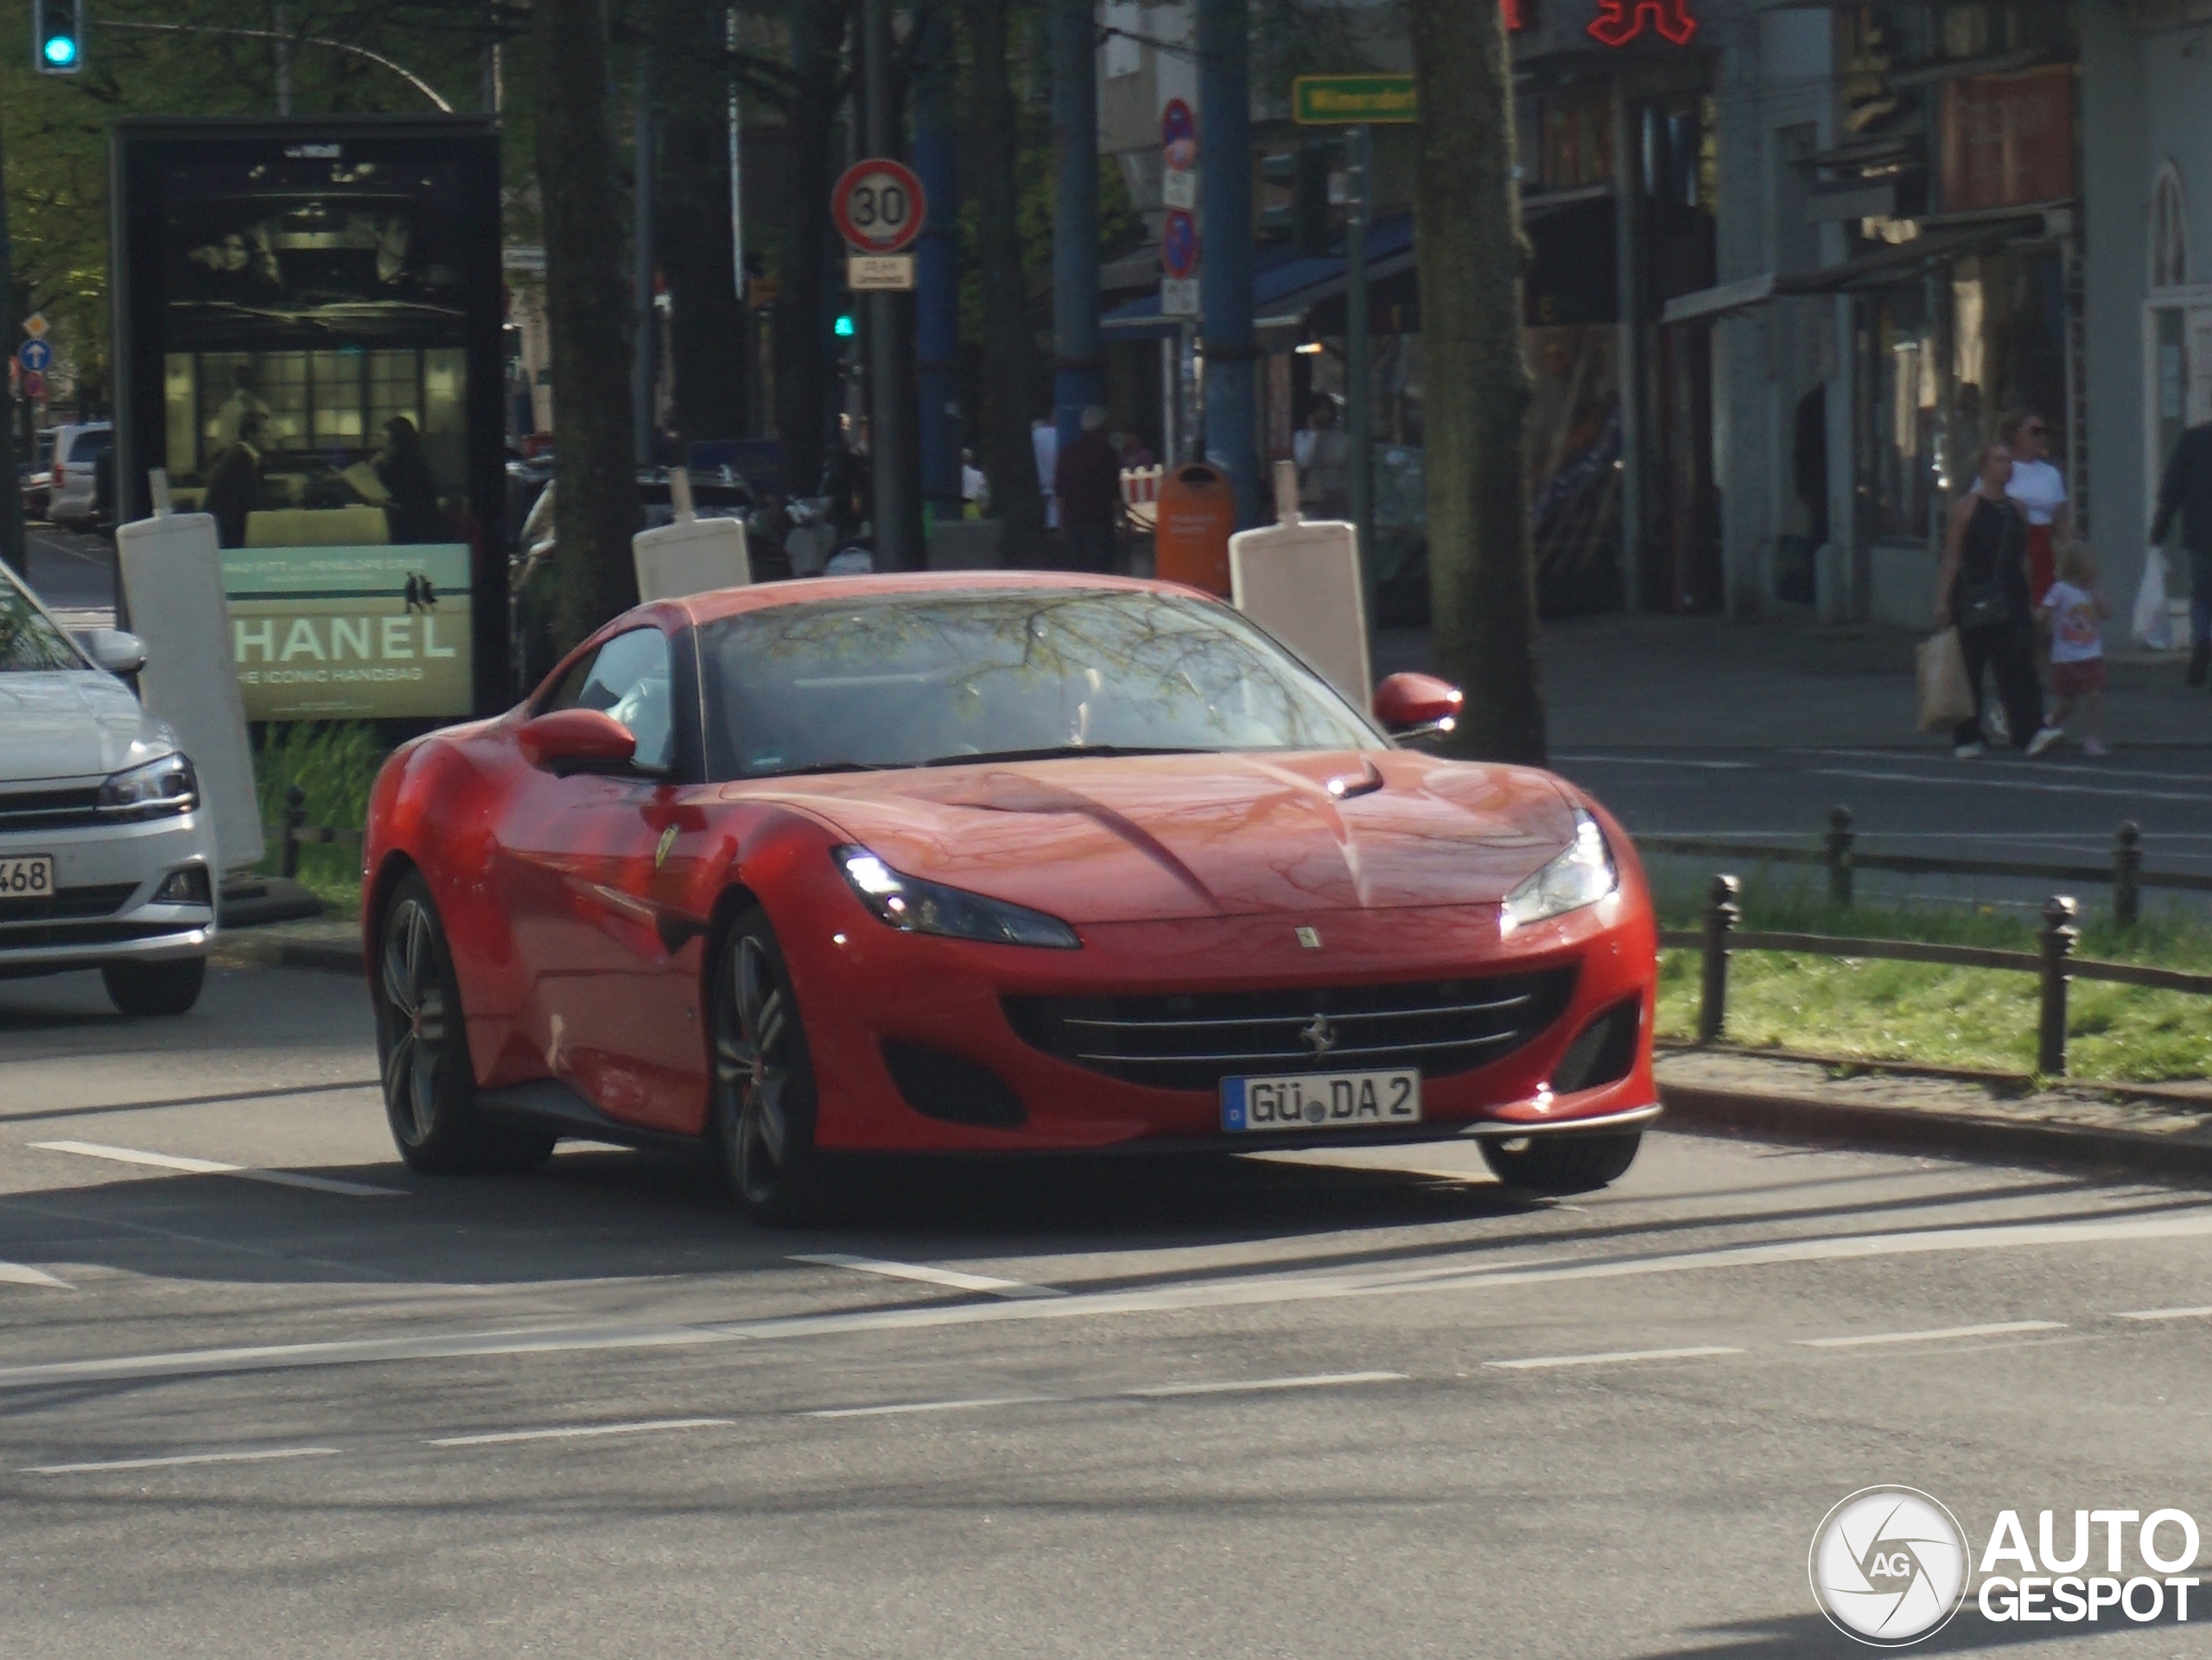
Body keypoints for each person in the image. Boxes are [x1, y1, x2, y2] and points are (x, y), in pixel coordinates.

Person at [1935, 441, 2056, 759]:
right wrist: (1944, 600)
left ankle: (2029, 731)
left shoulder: (2018, 509)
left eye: (2008, 460)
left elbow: (2024, 558)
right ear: (1984, 467)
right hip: (1974, 591)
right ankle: (1967, 736)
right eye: (2000, 460)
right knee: (1970, 665)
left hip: (2010, 593)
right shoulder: (1967, 508)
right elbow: (1952, 556)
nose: (2007, 466)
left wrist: (2031, 598)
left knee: (2018, 661)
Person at [2152, 417, 2212, 687]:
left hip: (2201, 531)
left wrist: (2160, 529)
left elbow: (2173, 485)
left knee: (2201, 594)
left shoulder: (2193, 440)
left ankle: (2202, 639)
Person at [2037, 544, 2110, 757]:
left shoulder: (2089, 592)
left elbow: (2106, 613)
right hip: (2067, 657)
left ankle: (2092, 738)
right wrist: (2039, 620)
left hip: (2091, 654)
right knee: (2067, 703)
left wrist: (2095, 591)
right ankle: (2048, 723)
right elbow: (2044, 611)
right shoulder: (2060, 590)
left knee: (2095, 696)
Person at [1998, 409, 2072, 606]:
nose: (2041, 438)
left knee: (2045, 607)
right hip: (2011, 547)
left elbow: (2062, 522)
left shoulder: (2051, 474)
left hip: (2044, 547)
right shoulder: (2001, 467)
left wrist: (2073, 555)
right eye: (2034, 432)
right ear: (2015, 434)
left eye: (2043, 432)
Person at [1054, 405, 1125, 575]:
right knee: (1100, 572)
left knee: (1078, 572)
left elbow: (1060, 494)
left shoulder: (1068, 452)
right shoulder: (1107, 453)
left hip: (1072, 522)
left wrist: (1061, 524)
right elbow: (1114, 492)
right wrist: (1124, 522)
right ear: (1103, 427)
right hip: (1099, 522)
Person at [373, 417, 446, 544]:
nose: (383, 447)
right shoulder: (407, 462)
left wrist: (377, 467)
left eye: (387, 442)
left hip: (417, 532)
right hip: (409, 529)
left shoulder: (410, 466)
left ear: (398, 443)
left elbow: (412, 508)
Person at [203, 410, 269, 549]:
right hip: (227, 531)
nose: (269, 437)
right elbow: (253, 498)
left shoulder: (239, 455)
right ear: (251, 435)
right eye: (265, 432)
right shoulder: (241, 459)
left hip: (224, 527)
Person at [1293, 396, 1351, 519]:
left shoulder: (1340, 438)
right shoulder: (1302, 436)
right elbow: (1303, 461)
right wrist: (1314, 433)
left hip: (1336, 495)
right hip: (1312, 497)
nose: (1322, 414)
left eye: (1325, 410)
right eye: (1319, 410)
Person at [210, 364, 270, 456]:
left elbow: (223, 441)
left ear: (234, 382)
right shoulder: (263, 407)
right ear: (252, 383)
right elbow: (270, 439)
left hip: (234, 461)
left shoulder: (227, 409)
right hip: (257, 461)